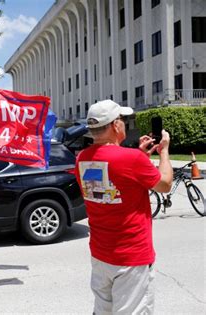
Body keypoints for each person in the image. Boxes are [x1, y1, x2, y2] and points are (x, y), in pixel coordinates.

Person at [74, 100, 173, 314]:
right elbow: (165, 185)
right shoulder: (131, 159)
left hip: (101, 254)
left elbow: (110, 182)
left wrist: (141, 155)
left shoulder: (82, 159)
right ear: (115, 126)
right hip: (131, 257)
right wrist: (164, 152)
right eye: (123, 120)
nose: (125, 125)